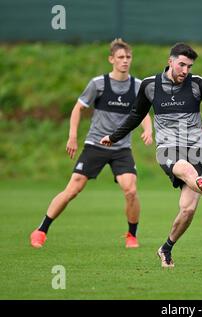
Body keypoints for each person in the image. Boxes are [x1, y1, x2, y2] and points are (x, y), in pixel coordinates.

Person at [100, 43, 202, 267]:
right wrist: (113, 137)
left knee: (188, 209)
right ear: (170, 61)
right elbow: (135, 115)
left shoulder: (197, 84)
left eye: (189, 66)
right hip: (168, 148)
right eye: (181, 64)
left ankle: (166, 248)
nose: (185, 70)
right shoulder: (150, 86)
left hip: (195, 149)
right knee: (184, 168)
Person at [30, 39, 153, 249]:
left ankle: (131, 235)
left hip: (121, 148)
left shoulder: (138, 86)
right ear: (111, 59)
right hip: (95, 145)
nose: (125, 61)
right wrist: (72, 136)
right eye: (121, 57)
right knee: (73, 189)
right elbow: (78, 109)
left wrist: (148, 129)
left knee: (131, 190)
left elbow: (142, 113)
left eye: (128, 57)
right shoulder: (99, 84)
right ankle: (41, 230)